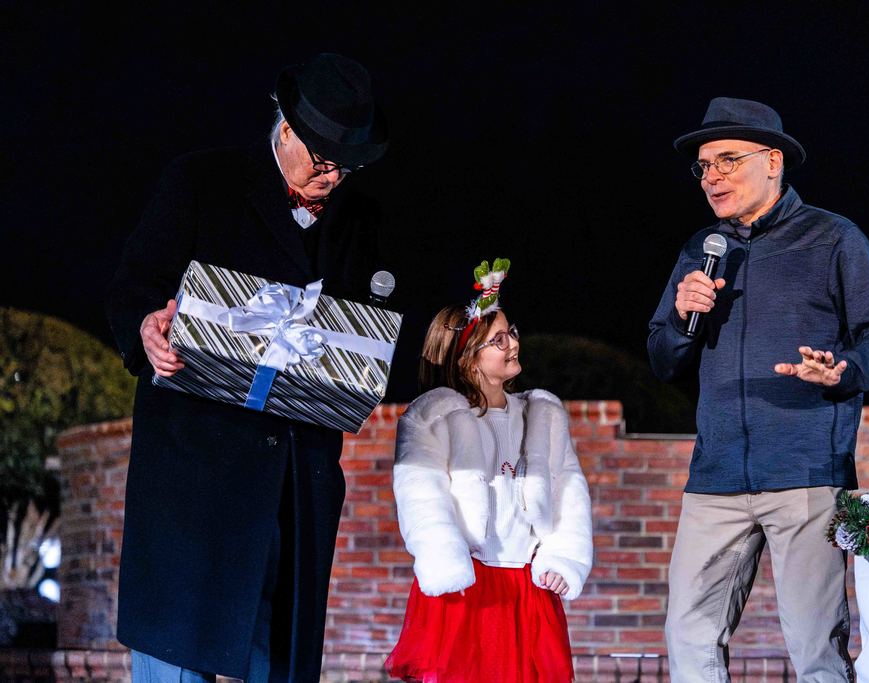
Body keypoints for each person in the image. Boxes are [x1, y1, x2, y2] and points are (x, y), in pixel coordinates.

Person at [105, 53, 389, 682]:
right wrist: (147, 329)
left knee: (280, 659)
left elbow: (372, 332)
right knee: (176, 658)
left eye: (346, 166)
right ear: (285, 128)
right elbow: (133, 288)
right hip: (195, 483)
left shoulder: (362, 222)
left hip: (294, 487)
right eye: (322, 160)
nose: (332, 177)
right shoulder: (201, 182)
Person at [648, 97, 869, 682]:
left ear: (773, 161)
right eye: (703, 166)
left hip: (805, 472)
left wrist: (842, 370)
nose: (711, 177)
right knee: (688, 637)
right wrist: (681, 316)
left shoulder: (832, 238)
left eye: (727, 160)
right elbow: (664, 359)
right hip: (714, 478)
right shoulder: (701, 250)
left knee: (815, 647)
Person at [385, 260, 593, 683]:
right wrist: (442, 555)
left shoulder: (541, 416)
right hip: (469, 585)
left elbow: (569, 489)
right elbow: (421, 493)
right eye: (498, 339)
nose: (513, 343)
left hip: (526, 585)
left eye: (511, 332)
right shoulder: (435, 417)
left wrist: (564, 556)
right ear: (468, 360)